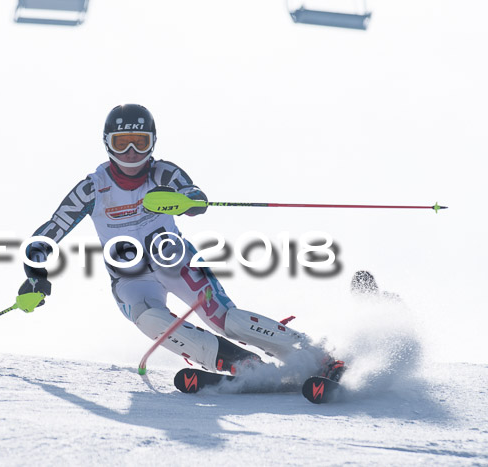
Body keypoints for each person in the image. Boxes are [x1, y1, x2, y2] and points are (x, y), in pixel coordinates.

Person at [18, 104, 344, 381]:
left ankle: (314, 356)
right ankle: (240, 364)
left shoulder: (161, 173)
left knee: (225, 319)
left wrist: (186, 202)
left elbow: (195, 198)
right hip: (131, 277)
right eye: (122, 143)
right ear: (107, 145)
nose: (131, 152)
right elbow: (48, 234)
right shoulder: (93, 189)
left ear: (153, 143)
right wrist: (35, 276)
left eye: (139, 143)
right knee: (149, 317)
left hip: (175, 262)